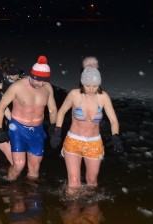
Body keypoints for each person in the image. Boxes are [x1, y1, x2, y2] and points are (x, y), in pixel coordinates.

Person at [50, 66, 123, 194]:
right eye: (88, 86)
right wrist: (57, 132)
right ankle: (72, 210)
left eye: (95, 86)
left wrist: (115, 136)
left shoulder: (103, 97)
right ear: (82, 83)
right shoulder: (74, 94)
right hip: (73, 141)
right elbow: (61, 112)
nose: (91, 89)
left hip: (94, 143)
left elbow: (113, 120)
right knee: (74, 181)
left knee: (92, 181)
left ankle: (90, 211)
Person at [0, 55, 57, 181]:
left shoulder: (48, 87)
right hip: (18, 129)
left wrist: (53, 127)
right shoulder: (17, 87)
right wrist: (0, 129)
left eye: (43, 81)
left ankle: (32, 196)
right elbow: (1, 108)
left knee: (34, 169)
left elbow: (52, 109)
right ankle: (9, 187)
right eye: (38, 80)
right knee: (19, 165)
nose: (40, 84)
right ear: (32, 75)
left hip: (37, 131)